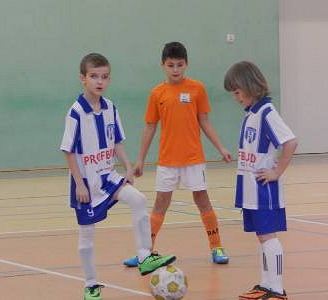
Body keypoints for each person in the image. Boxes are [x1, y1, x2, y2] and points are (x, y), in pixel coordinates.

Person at [60, 53, 176, 300]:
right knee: (87, 234)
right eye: (93, 77)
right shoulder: (76, 112)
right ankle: (90, 284)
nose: (99, 82)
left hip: (109, 176)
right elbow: (68, 152)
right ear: (83, 79)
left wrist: (128, 167)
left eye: (104, 77)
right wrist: (79, 184)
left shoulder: (111, 108)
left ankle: (145, 256)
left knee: (138, 199)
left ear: (109, 79)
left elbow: (117, 143)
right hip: (87, 184)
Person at [123, 42, 232, 268]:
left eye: (179, 65)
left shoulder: (197, 89)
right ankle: (146, 253)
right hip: (167, 161)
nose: (175, 69)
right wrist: (140, 159)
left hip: (193, 158)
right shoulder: (157, 93)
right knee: (160, 204)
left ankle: (216, 246)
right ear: (163, 65)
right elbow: (150, 126)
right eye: (170, 65)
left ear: (186, 65)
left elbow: (205, 122)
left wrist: (221, 148)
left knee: (203, 200)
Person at [224, 61, 297, 300]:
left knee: (268, 235)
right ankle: (267, 285)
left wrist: (276, 172)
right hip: (250, 190)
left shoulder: (267, 113)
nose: (235, 98)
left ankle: (277, 289)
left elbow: (290, 142)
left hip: (264, 189)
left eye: (237, 92)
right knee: (261, 237)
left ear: (249, 86)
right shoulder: (252, 114)